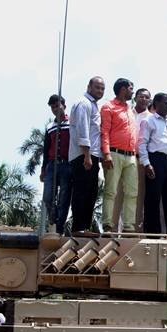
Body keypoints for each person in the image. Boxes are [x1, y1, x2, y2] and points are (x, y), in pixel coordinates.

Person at [100, 78, 138, 233]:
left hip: (131, 156)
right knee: (111, 191)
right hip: (114, 153)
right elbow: (104, 132)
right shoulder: (108, 107)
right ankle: (108, 224)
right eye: (131, 88)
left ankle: (129, 226)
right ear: (123, 89)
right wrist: (106, 154)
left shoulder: (130, 108)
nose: (132, 91)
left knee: (132, 192)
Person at [139, 93, 167, 234]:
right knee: (153, 198)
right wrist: (146, 163)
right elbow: (142, 143)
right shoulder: (149, 121)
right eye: (165, 103)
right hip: (155, 161)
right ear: (156, 103)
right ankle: (153, 233)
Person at [69, 76, 104, 233]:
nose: (100, 91)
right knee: (82, 192)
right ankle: (79, 227)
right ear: (89, 86)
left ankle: (84, 227)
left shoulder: (94, 105)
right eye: (97, 87)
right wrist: (87, 155)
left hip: (92, 155)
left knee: (91, 193)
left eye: (102, 88)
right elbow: (82, 131)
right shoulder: (84, 103)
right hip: (83, 155)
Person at [40, 94, 71, 234]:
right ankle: (53, 217)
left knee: (64, 196)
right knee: (48, 196)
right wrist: (43, 169)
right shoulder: (49, 126)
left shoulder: (72, 123)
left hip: (67, 164)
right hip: (52, 165)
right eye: (53, 107)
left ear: (64, 105)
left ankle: (59, 226)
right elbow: (46, 149)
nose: (55, 109)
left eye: (57, 105)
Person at [133, 88, 152, 231]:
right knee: (118, 195)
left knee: (139, 196)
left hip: (141, 160)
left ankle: (136, 230)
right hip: (124, 156)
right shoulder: (126, 112)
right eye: (141, 96)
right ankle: (115, 229)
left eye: (146, 97)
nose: (143, 99)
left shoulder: (151, 118)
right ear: (135, 97)